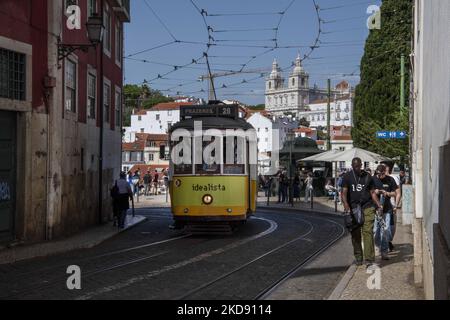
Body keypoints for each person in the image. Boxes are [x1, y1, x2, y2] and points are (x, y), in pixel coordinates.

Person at [341, 158, 383, 268]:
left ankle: (369, 259)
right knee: (355, 234)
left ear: (361, 165)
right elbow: (343, 193)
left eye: (359, 166)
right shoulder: (347, 177)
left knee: (367, 232)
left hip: (368, 207)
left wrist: (379, 205)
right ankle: (358, 257)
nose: (357, 168)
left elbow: (373, 193)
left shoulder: (368, 177)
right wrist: (346, 205)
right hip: (353, 209)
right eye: (355, 166)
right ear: (352, 165)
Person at [372, 164, 399, 260]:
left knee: (386, 230)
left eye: (382, 174)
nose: (380, 176)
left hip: (387, 209)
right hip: (376, 209)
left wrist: (387, 193)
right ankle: (377, 246)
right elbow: (368, 192)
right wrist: (375, 192)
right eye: (378, 174)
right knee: (376, 230)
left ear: (385, 172)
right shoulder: (373, 179)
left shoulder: (390, 180)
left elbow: (395, 193)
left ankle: (384, 251)